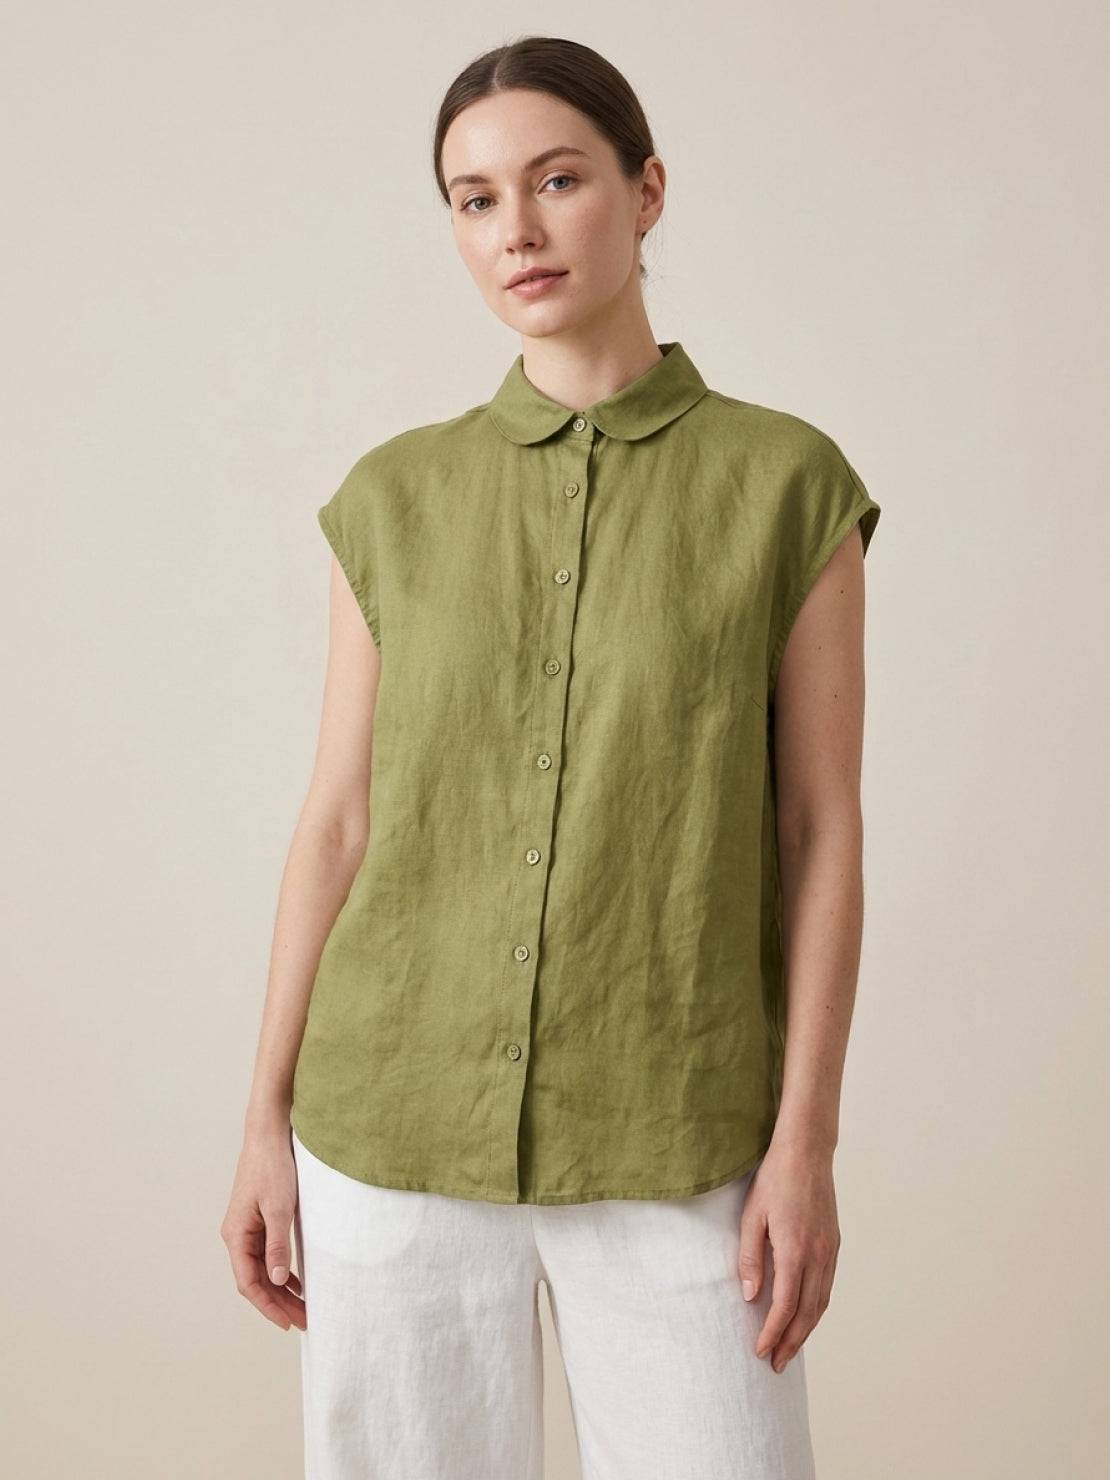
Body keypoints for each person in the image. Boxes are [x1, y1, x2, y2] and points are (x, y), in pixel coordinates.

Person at [220, 34, 881, 1480]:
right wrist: (263, 1120)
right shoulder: (391, 499)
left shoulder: (787, 485)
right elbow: (337, 823)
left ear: (646, 193)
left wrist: (806, 1146)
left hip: (677, 1121)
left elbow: (817, 833)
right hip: (388, 1125)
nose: (516, 228)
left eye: (557, 180)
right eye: (474, 199)